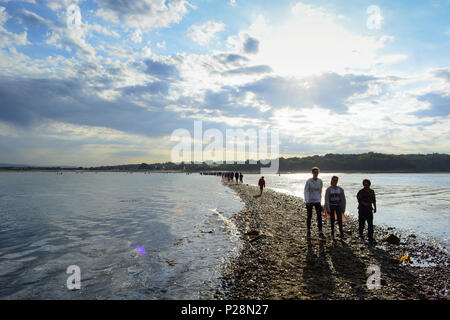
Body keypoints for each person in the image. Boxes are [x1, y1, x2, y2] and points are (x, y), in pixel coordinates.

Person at [304, 167, 324, 239]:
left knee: (319, 216)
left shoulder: (320, 181)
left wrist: (320, 200)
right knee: (309, 216)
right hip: (310, 201)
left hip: (317, 201)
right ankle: (308, 230)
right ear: (312, 173)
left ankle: (320, 231)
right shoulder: (309, 181)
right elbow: (306, 191)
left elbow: (320, 191)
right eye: (314, 172)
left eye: (317, 172)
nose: (316, 174)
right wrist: (307, 201)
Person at [324, 176, 346, 240]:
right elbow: (326, 199)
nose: (335, 182)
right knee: (332, 220)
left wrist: (343, 208)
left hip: (338, 206)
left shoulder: (340, 189)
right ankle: (332, 233)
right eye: (334, 180)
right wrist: (327, 208)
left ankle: (341, 233)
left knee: (340, 220)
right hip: (331, 206)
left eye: (336, 180)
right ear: (331, 181)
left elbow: (343, 199)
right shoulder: (329, 189)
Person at [357, 179, 377, 244]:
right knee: (361, 223)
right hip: (362, 209)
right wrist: (364, 203)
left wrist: (375, 207)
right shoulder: (361, 191)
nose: (366, 185)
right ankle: (361, 234)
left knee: (370, 224)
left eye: (367, 184)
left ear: (369, 184)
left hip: (369, 210)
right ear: (363, 184)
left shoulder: (372, 191)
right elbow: (359, 199)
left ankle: (370, 236)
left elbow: (374, 200)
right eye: (365, 184)